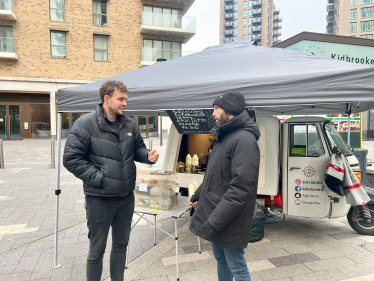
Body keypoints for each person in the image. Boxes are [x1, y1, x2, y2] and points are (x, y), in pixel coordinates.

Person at [63, 80, 159, 281]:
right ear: (106, 99)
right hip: (100, 198)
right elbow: (71, 159)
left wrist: (147, 155)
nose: (125, 103)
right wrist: (99, 178)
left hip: (126, 197)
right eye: (121, 99)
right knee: (97, 249)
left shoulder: (129, 124)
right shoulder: (85, 124)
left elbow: (138, 149)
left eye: (126, 99)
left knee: (121, 246)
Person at [189, 91, 260, 281]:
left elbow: (241, 188)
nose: (212, 113)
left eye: (216, 108)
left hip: (230, 217)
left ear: (229, 110)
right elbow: (214, 175)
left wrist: (214, 221)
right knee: (221, 259)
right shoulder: (225, 136)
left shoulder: (244, 140)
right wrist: (199, 194)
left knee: (236, 265)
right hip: (218, 213)